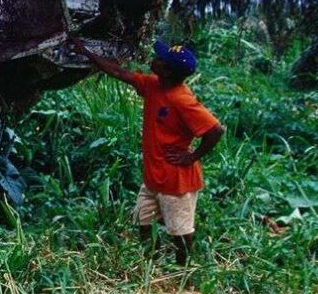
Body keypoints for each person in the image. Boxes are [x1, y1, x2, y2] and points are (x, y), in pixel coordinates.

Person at [71, 38, 226, 265]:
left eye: (160, 59)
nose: (154, 60)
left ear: (168, 71)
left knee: (180, 230)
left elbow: (216, 130)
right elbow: (120, 73)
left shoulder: (182, 100)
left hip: (176, 182)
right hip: (153, 176)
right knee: (143, 221)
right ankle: (148, 264)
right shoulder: (153, 85)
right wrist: (87, 53)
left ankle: (182, 270)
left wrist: (192, 156)